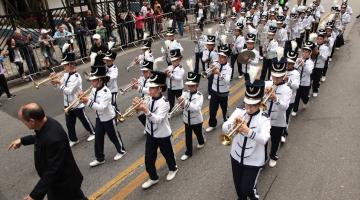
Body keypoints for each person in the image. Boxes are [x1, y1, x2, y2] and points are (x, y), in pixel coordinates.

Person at [8, 103, 87, 200]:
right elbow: (40, 138)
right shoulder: (46, 122)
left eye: (24, 122)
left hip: (63, 186)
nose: (24, 124)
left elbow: (53, 170)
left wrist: (34, 195)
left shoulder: (53, 138)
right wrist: (23, 140)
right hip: (60, 183)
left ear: (32, 121)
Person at [222, 79, 270, 200]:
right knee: (239, 188)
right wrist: (233, 124)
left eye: (253, 105)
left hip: (253, 160)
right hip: (236, 156)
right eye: (247, 103)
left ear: (259, 103)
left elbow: (264, 139)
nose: (249, 107)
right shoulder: (240, 111)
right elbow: (224, 128)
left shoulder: (264, 118)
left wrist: (247, 131)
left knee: (247, 189)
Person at [135, 71, 178, 189]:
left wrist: (146, 111)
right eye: (150, 87)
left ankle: (173, 169)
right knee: (148, 158)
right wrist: (138, 109)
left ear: (160, 89)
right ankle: (153, 177)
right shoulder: (149, 98)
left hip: (163, 135)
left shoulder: (165, 103)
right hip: (150, 134)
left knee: (168, 155)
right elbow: (142, 112)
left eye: (153, 88)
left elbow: (158, 120)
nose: (150, 90)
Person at [80, 65, 126, 167]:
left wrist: (87, 101)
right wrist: (83, 98)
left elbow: (101, 107)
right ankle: (100, 158)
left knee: (113, 136)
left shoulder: (106, 92)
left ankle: (121, 150)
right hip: (99, 118)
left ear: (100, 80)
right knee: (98, 139)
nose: (91, 83)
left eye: (93, 81)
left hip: (108, 118)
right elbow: (91, 100)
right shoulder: (94, 90)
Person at [50, 52, 95, 147]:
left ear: (71, 65)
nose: (64, 67)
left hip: (77, 103)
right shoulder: (65, 75)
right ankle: (73, 139)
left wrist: (59, 83)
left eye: (65, 65)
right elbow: (58, 88)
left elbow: (69, 91)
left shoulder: (76, 77)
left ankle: (93, 132)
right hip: (67, 104)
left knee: (84, 120)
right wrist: (53, 82)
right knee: (69, 124)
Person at [264, 56, 292, 168]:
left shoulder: (287, 90)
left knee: (275, 141)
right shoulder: (267, 84)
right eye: (274, 76)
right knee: (264, 141)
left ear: (284, 75)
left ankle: (273, 156)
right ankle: (263, 157)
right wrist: (263, 94)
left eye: (279, 77)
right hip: (265, 119)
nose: (275, 79)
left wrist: (276, 99)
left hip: (278, 121)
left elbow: (285, 107)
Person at [178, 72, 205, 161]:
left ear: (197, 86)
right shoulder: (185, 93)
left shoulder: (199, 96)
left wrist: (185, 103)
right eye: (189, 85)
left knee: (198, 134)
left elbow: (196, 108)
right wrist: (180, 102)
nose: (190, 87)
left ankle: (201, 141)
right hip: (186, 120)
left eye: (192, 86)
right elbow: (182, 103)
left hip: (196, 121)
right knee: (188, 137)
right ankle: (188, 152)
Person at [205, 45, 232, 133]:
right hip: (214, 91)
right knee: (212, 110)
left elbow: (227, 81)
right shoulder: (216, 63)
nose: (220, 58)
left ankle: (226, 123)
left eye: (223, 57)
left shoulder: (229, 68)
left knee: (225, 110)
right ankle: (212, 124)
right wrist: (209, 68)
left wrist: (219, 73)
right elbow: (207, 75)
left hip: (223, 93)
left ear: (227, 58)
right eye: (220, 56)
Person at [292, 41, 314, 116]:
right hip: (298, 82)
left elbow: (309, 72)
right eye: (303, 52)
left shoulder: (310, 62)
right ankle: (295, 110)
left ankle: (305, 101)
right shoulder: (298, 59)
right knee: (297, 96)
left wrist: (304, 65)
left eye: (306, 52)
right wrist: (296, 63)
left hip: (305, 83)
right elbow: (294, 68)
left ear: (309, 53)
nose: (304, 53)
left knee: (304, 96)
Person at [283, 50, 300, 142]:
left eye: (290, 63)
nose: (288, 65)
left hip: (290, 99)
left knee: (285, 117)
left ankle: (284, 133)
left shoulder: (296, 73)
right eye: (287, 63)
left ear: (293, 64)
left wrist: (288, 81)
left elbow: (296, 86)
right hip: (281, 98)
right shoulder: (281, 70)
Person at [131, 59, 154, 127]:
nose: (143, 73)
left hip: (151, 99)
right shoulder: (142, 78)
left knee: (142, 111)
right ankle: (147, 126)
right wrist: (135, 83)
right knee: (138, 111)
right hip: (144, 99)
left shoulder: (153, 80)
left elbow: (150, 91)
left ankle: (149, 127)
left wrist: (138, 87)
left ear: (150, 71)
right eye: (143, 71)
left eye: (145, 71)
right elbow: (138, 86)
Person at [312, 29, 329, 97]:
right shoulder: (314, 46)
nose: (319, 40)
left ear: (323, 40)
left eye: (320, 39)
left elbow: (325, 58)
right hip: (313, 65)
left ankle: (315, 90)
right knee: (311, 79)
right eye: (318, 39)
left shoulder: (325, 48)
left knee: (316, 79)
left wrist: (319, 53)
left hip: (319, 66)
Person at [202, 35, 218, 100]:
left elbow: (217, 61)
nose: (209, 46)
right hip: (207, 69)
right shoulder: (205, 51)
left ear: (213, 45)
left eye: (211, 45)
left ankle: (211, 92)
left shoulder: (216, 52)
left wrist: (212, 63)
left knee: (212, 81)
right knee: (209, 81)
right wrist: (206, 60)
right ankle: (210, 92)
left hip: (213, 69)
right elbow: (203, 59)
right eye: (208, 44)